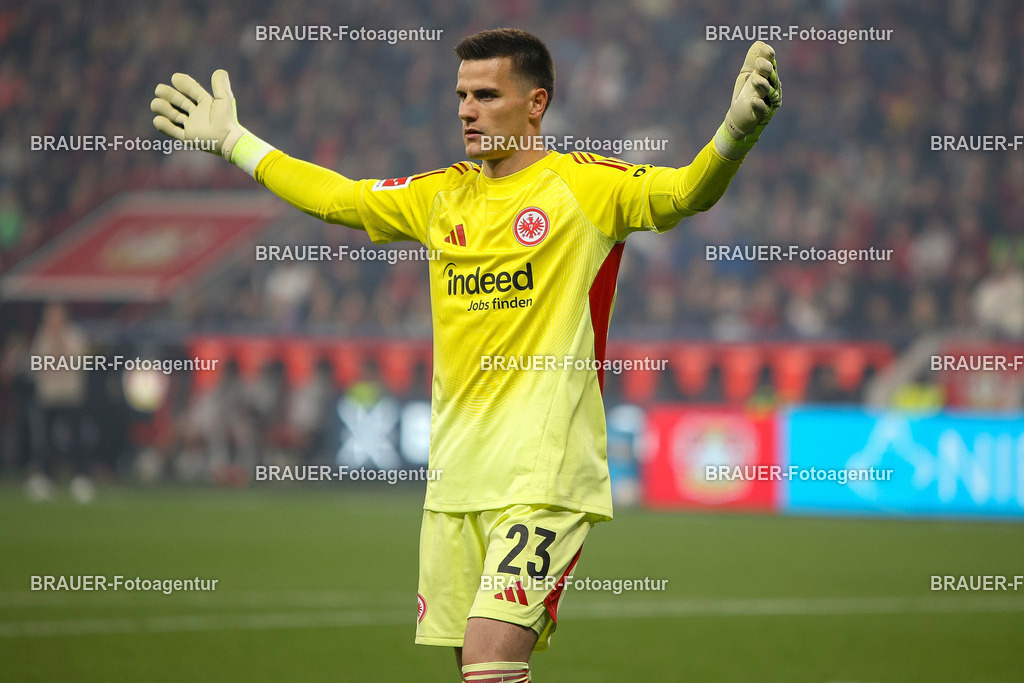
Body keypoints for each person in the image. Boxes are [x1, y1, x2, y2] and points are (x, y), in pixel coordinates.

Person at [150, 28, 781, 682]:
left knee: (489, 658)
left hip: (543, 473)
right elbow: (338, 198)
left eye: (486, 94)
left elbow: (684, 194)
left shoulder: (583, 187)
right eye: (461, 95)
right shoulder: (440, 195)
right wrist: (234, 142)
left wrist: (732, 135)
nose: (466, 110)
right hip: (456, 480)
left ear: (536, 103)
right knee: (478, 672)